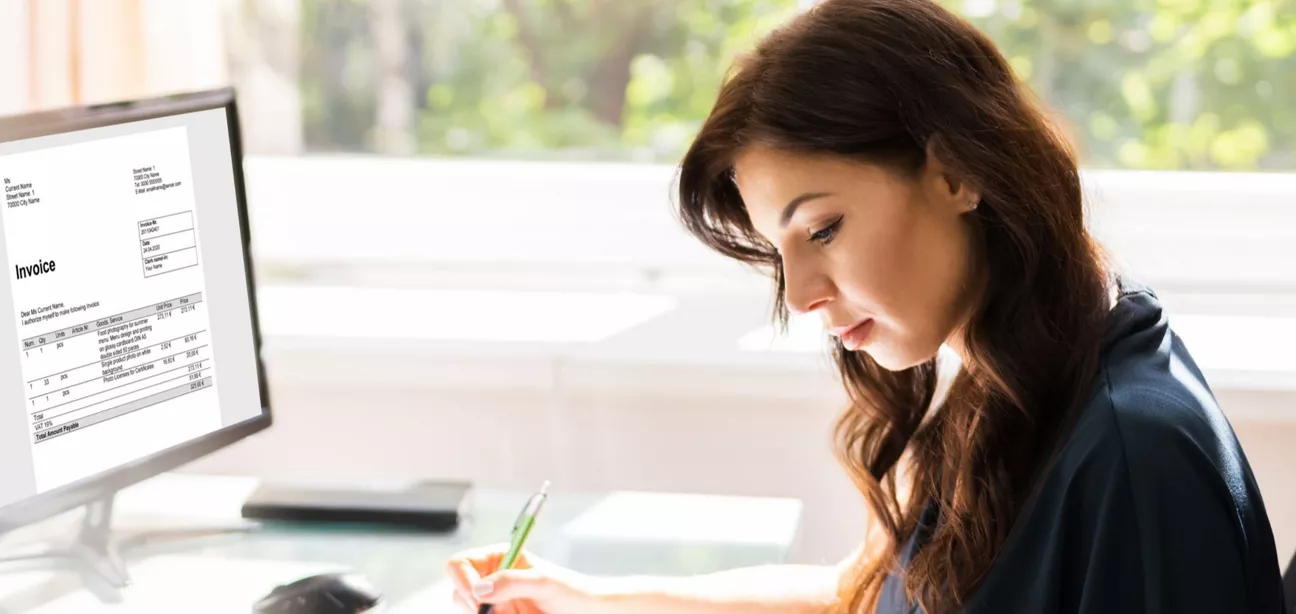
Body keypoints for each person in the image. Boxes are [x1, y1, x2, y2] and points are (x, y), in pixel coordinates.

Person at [444, 0, 1289, 612]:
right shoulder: (1018, 377)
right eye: (781, 255)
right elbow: (867, 593)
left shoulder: (1132, 459)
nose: (804, 298)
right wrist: (587, 597)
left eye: (824, 229)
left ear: (959, 171)